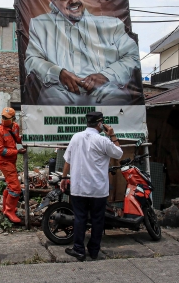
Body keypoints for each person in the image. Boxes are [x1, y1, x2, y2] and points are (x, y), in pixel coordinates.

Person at [24, 0, 141, 106]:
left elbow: (132, 56)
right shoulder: (41, 25)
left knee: (118, 106)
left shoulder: (110, 25)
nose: (73, 1)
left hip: (105, 90)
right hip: (60, 90)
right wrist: (59, 73)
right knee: (50, 106)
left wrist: (106, 76)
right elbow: (32, 59)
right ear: (53, 1)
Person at [60, 111, 122, 261]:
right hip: (98, 190)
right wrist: (112, 135)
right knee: (97, 220)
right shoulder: (103, 141)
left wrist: (63, 177)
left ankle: (79, 250)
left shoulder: (76, 137)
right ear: (100, 124)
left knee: (80, 218)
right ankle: (94, 251)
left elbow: (67, 160)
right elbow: (119, 153)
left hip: (79, 188)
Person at [0, 107, 27, 223]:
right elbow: (1, 151)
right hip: (4, 161)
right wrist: (17, 151)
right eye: (2, 117)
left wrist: (27, 140)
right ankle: (9, 211)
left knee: (10, 185)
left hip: (12, 160)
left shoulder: (15, 126)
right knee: (16, 188)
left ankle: (5, 208)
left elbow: (17, 139)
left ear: (13, 118)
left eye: (6, 118)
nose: (3, 119)